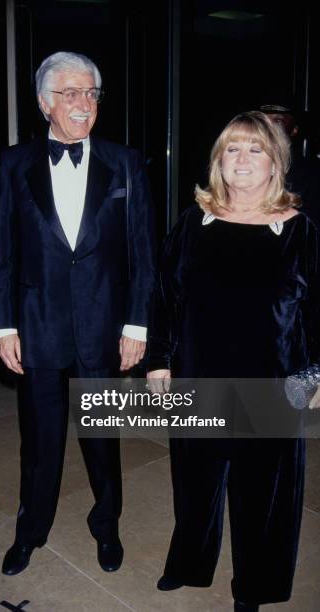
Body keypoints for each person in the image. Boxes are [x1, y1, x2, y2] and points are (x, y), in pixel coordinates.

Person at [0, 51, 155, 576]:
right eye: (71, 93)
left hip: (104, 323)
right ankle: (30, 531)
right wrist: (3, 323)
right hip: (36, 324)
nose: (84, 104)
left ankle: (106, 527)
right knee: (39, 441)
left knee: (102, 438)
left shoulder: (124, 161)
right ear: (44, 103)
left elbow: (142, 252)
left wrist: (137, 322)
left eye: (91, 94)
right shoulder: (13, 165)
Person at [147, 111, 320, 611]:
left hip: (273, 381)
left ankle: (257, 585)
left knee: (262, 495)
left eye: (255, 150)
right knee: (196, 483)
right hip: (199, 371)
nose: (242, 160)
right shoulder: (193, 223)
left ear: (275, 164)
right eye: (232, 149)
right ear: (218, 161)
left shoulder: (298, 231)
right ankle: (188, 564)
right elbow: (164, 296)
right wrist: (159, 361)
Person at [260, 102, 320, 229]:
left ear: (294, 130)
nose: (268, 126)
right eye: (262, 120)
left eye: (278, 120)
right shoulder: (240, 168)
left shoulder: (312, 174)